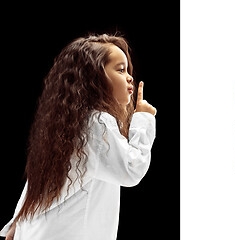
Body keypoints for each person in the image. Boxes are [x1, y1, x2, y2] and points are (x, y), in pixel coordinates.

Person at [0, 34, 156, 240]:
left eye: (128, 70)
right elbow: (131, 170)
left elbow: (37, 182)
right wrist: (143, 119)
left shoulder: (67, 123)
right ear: (94, 78)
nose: (129, 77)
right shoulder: (97, 122)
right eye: (120, 70)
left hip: (36, 231)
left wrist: (17, 223)